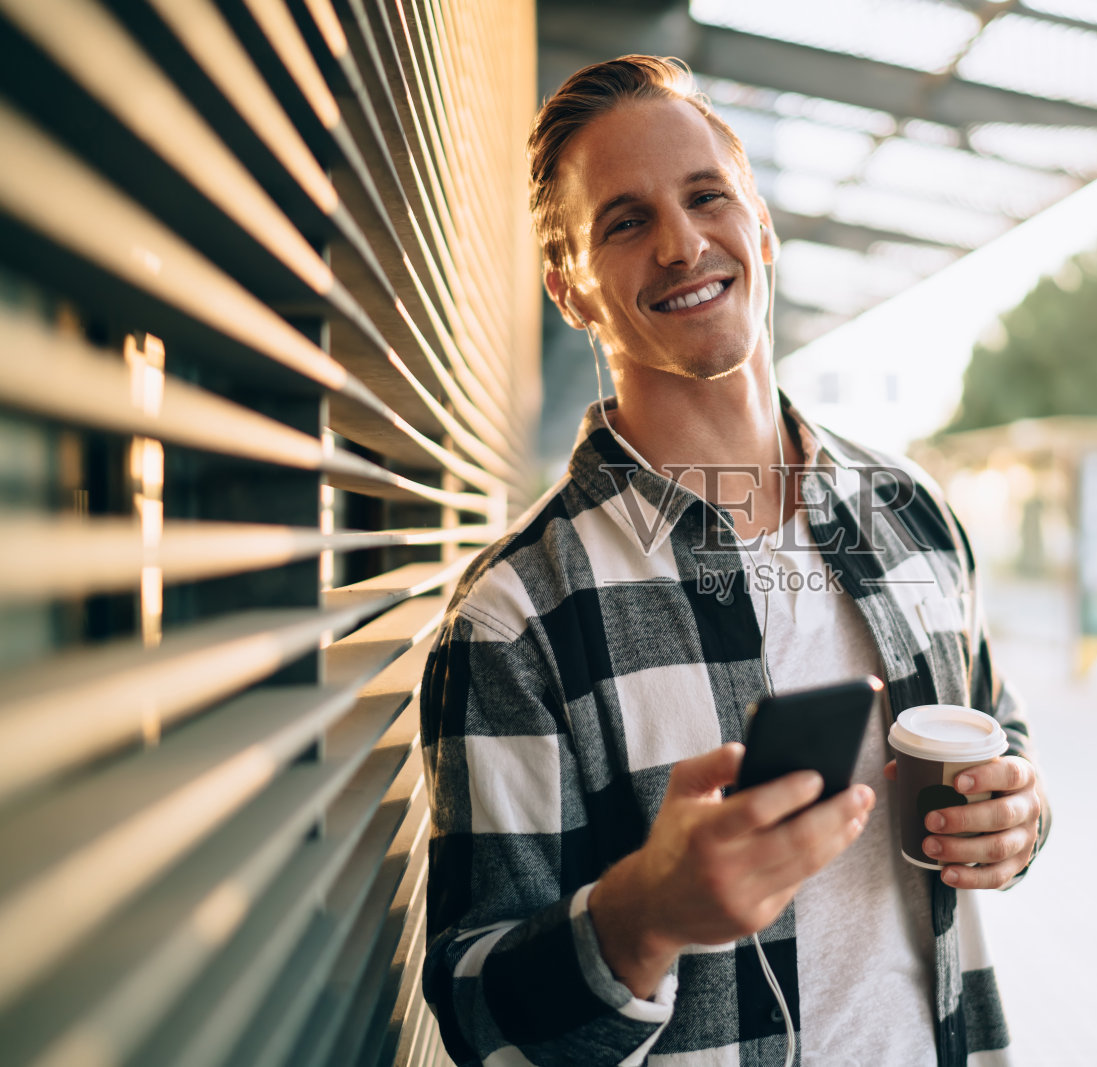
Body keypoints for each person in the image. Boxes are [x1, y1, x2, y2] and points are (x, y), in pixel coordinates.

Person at [418, 55, 1050, 1067]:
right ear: (568, 288)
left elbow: (996, 726)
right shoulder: (513, 617)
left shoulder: (912, 512)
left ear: (762, 227)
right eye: (624, 222)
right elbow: (478, 1010)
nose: (680, 243)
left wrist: (1021, 811)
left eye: (706, 196)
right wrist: (641, 918)